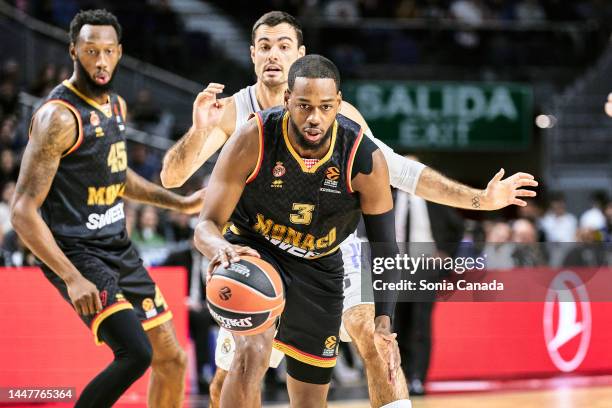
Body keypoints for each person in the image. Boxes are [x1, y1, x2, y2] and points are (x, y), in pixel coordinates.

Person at [161, 11, 538, 408]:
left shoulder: (339, 117)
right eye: (266, 47)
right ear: (252, 54)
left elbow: (401, 172)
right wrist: (200, 131)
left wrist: (481, 199)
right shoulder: (237, 116)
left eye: (284, 46)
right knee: (233, 375)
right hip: (261, 248)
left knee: (376, 339)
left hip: (332, 246)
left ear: (300, 54)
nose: (274, 55)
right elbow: (172, 176)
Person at [9, 10, 204, 407]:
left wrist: (179, 201)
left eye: (108, 51)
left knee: (172, 359)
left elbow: (118, 175)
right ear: (73, 51)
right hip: (78, 254)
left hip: (118, 248)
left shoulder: (116, 105)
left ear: (119, 54)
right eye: (90, 50)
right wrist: (71, 277)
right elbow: (22, 211)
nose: (100, 60)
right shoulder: (57, 118)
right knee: (137, 354)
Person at [195, 54, 403, 408]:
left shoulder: (364, 159)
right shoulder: (254, 136)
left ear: (338, 103)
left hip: (319, 268)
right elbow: (206, 224)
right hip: (255, 253)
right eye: (304, 105)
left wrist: (385, 321)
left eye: (325, 107)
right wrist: (218, 249)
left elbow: (386, 250)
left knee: (309, 400)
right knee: (251, 353)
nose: (314, 118)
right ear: (287, 98)